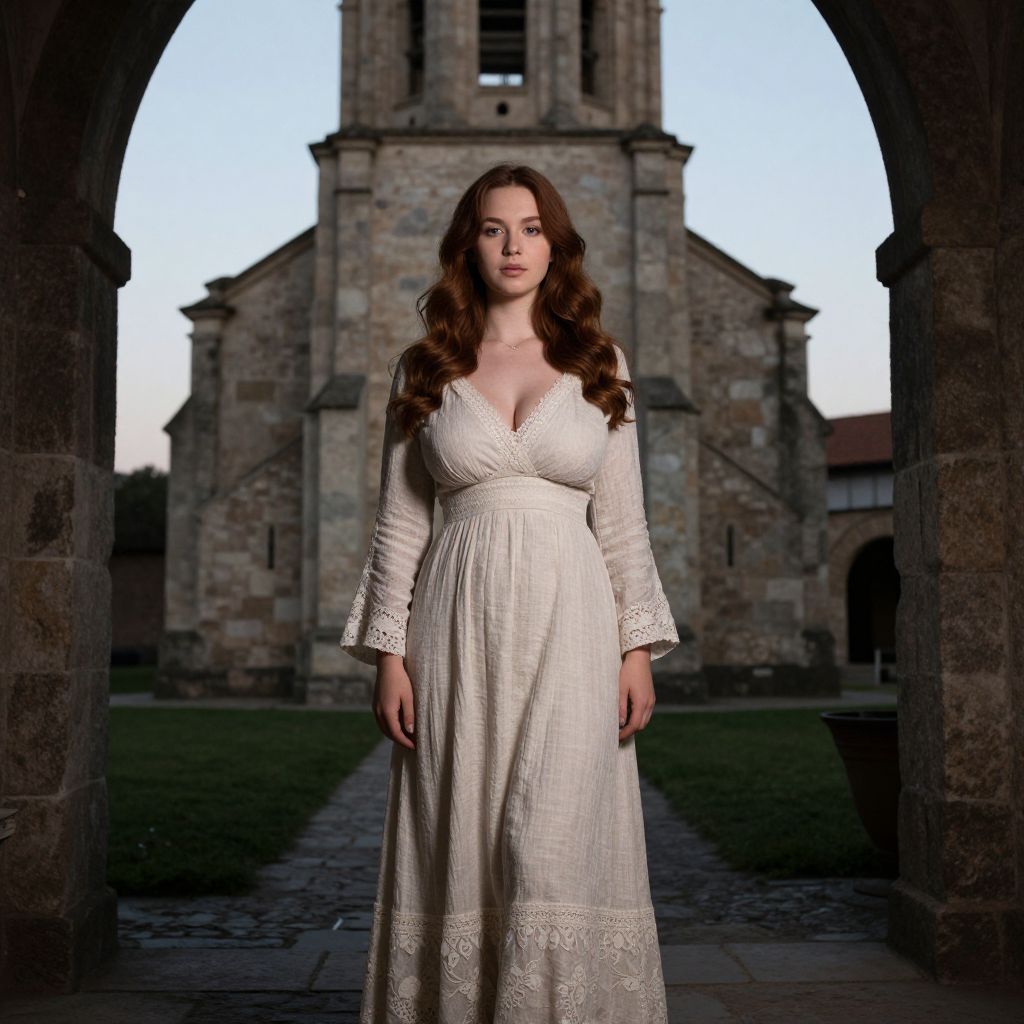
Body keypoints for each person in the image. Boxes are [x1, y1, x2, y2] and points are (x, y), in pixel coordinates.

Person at [340, 162, 679, 1023]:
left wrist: (635, 650)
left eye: (531, 228)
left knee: (551, 844)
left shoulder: (601, 363)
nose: (513, 245)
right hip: (454, 632)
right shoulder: (426, 368)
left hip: (575, 631)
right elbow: (399, 525)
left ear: (555, 244)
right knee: (466, 837)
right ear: (469, 244)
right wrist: (389, 655)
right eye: (494, 228)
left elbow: (625, 523)